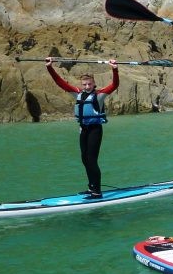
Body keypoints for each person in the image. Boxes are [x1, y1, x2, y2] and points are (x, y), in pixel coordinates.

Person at [46, 57, 119, 198]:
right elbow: (60, 83)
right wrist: (49, 67)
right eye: (84, 84)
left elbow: (115, 85)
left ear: (94, 84)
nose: (87, 87)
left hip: (95, 130)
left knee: (91, 160)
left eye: (89, 84)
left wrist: (114, 69)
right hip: (83, 130)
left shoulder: (99, 95)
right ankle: (91, 187)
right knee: (85, 159)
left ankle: (97, 191)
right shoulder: (77, 93)